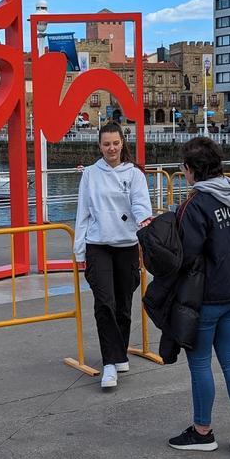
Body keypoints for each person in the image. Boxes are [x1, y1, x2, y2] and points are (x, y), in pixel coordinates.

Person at [167, 137, 230, 458]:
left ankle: (202, 431)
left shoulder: (196, 204)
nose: (183, 172)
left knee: (201, 363)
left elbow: (186, 255)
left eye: (184, 167)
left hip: (207, 297)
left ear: (192, 170)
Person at [73, 122, 152, 391]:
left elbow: (142, 205)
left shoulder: (135, 175)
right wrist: (79, 250)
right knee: (104, 303)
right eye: (106, 144)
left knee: (123, 305)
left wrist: (146, 229)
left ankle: (119, 352)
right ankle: (110, 362)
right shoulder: (91, 175)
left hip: (127, 244)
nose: (111, 148)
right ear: (99, 146)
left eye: (115, 143)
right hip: (98, 244)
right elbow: (82, 212)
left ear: (122, 143)